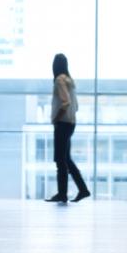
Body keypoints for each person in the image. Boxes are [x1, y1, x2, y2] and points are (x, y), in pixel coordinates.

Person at [45, 53, 90, 204]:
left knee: (60, 160)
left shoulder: (59, 80)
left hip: (63, 124)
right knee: (66, 159)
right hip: (71, 123)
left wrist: (57, 118)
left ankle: (62, 194)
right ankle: (83, 190)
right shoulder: (70, 81)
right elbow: (75, 106)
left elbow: (66, 103)